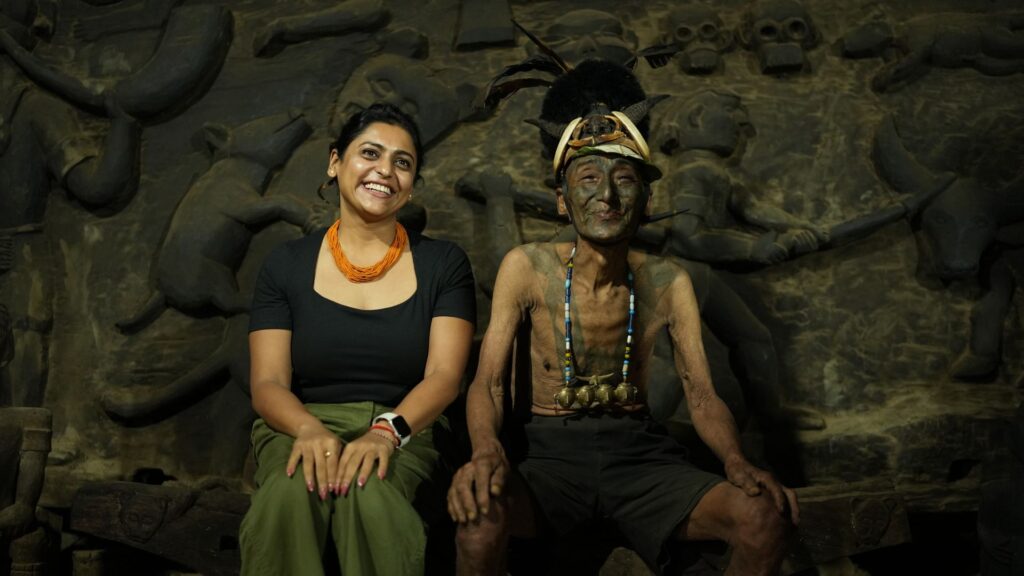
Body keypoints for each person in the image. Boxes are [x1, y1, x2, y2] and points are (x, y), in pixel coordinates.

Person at [447, 60, 798, 576]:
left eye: (624, 180)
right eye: (588, 179)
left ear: (646, 199)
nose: (606, 196)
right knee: (479, 522)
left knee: (762, 520)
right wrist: (485, 453)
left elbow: (701, 396)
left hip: (641, 459)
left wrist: (737, 461)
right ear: (562, 202)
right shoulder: (526, 268)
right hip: (551, 459)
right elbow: (490, 385)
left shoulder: (667, 281)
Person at [239, 103, 476, 575]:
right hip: (299, 424)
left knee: (369, 492)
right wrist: (307, 429)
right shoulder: (285, 264)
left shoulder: (443, 265)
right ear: (335, 163)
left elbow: (445, 376)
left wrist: (386, 433)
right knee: (290, 491)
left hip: (405, 428)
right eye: (370, 153)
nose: (385, 170)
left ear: (409, 187)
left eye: (402, 162)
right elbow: (267, 382)